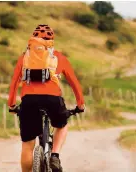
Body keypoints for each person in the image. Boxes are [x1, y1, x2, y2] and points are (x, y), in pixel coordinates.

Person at [7, 24, 85, 172]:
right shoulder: (59, 57)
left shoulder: (24, 58)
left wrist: (11, 104)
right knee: (61, 125)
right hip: (53, 99)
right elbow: (74, 83)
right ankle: (55, 155)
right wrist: (80, 104)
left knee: (27, 145)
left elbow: (14, 83)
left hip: (29, 101)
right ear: (51, 41)